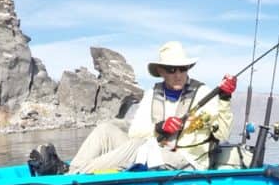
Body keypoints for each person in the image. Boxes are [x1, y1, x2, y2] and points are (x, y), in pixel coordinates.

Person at [68, 41, 236, 173]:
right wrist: (159, 128)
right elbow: (135, 132)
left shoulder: (203, 93)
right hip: (155, 152)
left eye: (182, 68)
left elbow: (222, 133)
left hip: (188, 162)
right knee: (105, 130)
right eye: (171, 69)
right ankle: (70, 172)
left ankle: (77, 177)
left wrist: (224, 99)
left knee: (139, 147)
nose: (178, 75)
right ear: (161, 71)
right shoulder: (152, 94)